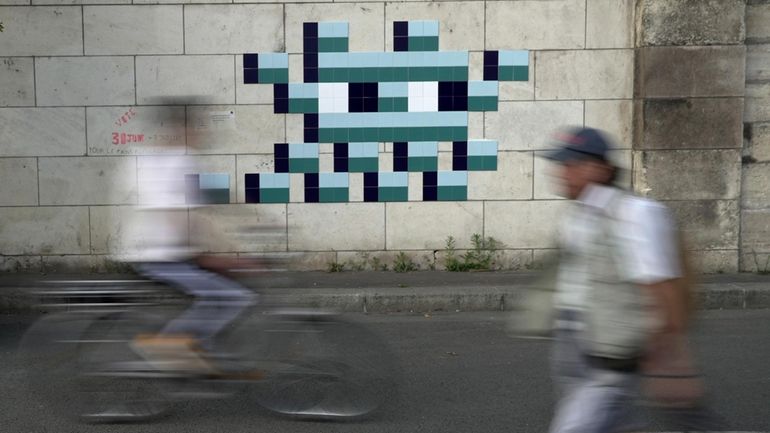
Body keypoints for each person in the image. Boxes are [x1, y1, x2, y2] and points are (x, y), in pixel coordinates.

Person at [543, 126, 684, 433]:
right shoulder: (576, 215)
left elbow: (661, 288)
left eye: (571, 166)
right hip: (574, 340)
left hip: (608, 352)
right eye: (561, 165)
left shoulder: (635, 213)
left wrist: (671, 365)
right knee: (612, 420)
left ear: (601, 169)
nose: (562, 174)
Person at [123, 137, 255, 373]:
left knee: (219, 292)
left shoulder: (159, 160)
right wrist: (211, 254)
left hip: (159, 252)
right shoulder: (178, 162)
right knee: (236, 297)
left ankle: (201, 350)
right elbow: (181, 217)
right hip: (162, 257)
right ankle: (169, 343)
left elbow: (213, 202)